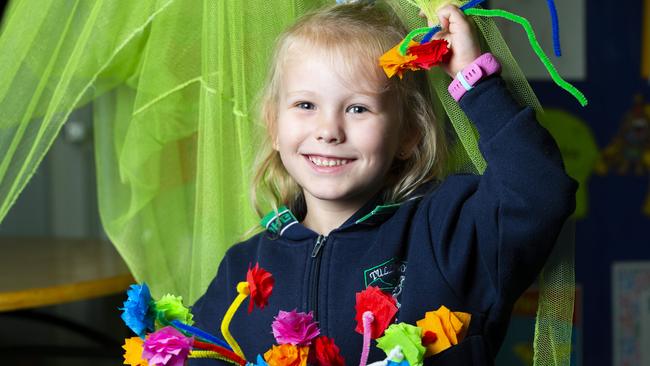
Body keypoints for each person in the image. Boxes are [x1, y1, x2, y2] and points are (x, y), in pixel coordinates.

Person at [189, 1, 577, 365]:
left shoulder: (445, 232)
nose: (328, 131)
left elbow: (539, 191)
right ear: (274, 126)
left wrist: (476, 83)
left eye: (358, 108)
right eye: (305, 105)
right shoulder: (241, 270)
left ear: (409, 133)